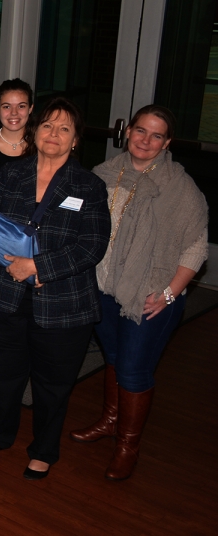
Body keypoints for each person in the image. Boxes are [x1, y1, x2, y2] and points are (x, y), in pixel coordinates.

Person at [0, 97, 110, 480]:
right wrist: (12, 264)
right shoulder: (11, 174)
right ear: (35, 131)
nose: (54, 134)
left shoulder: (90, 185)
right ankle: (0, 433)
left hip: (63, 302)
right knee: (3, 371)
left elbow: (92, 245)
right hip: (6, 292)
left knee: (53, 382)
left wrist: (38, 266)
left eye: (64, 128)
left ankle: (44, 449)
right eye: (48, 125)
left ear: (76, 140)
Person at [71, 105, 208, 480]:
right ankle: (110, 421)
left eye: (156, 135)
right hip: (104, 287)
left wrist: (168, 293)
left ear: (167, 143)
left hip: (150, 297)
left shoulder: (180, 188)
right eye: (140, 131)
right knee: (114, 359)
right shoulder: (102, 174)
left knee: (133, 371)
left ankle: (127, 446)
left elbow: (196, 247)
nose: (146, 140)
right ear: (127, 131)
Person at [0, 79, 34, 173]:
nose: (14, 113)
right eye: (7, 107)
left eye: (21, 106)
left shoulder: (41, 146)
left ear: (30, 109)